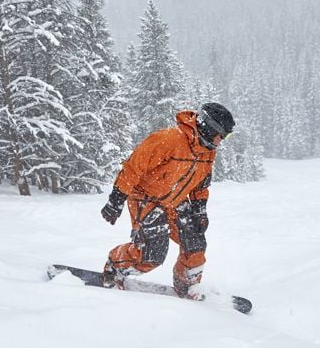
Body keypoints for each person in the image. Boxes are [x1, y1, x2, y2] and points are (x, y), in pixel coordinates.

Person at [100, 102, 235, 299]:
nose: (221, 140)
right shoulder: (169, 139)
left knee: (195, 243)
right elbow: (133, 167)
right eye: (220, 134)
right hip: (146, 198)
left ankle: (187, 284)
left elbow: (200, 186)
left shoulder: (208, 152)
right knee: (152, 253)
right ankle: (114, 268)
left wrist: (200, 211)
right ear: (207, 126)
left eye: (226, 137)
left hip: (175, 202)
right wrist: (116, 199)